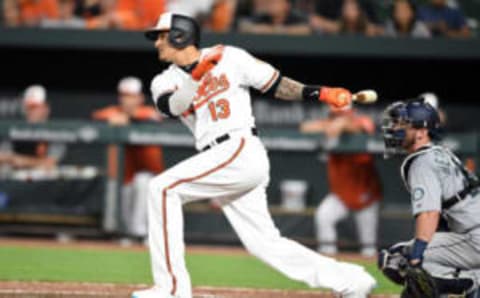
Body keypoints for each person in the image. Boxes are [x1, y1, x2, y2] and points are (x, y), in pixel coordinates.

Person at [132, 12, 376, 298]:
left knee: (161, 188)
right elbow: (173, 106)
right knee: (264, 243)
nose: (156, 44)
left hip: (238, 147)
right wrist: (196, 78)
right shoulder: (164, 80)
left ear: (179, 35)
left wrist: (320, 94)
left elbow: (276, 84)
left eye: (161, 36)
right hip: (220, 157)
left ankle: (171, 289)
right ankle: (352, 280)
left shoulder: (230, 57)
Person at [379, 100, 480, 296]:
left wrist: (416, 258)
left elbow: (429, 214)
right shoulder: (441, 152)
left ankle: (473, 283)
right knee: (411, 256)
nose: (395, 129)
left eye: (402, 124)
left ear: (421, 132)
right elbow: (443, 219)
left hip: (475, 238)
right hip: (472, 233)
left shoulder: (421, 162)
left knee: (399, 257)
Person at [300, 104, 382, 257]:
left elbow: (363, 128)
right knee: (323, 216)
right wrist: (332, 125)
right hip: (341, 194)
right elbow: (305, 127)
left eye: (341, 115)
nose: (338, 119)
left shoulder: (362, 122)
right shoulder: (329, 126)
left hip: (366, 194)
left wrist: (343, 123)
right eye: (335, 115)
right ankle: (329, 257)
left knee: (368, 247)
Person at [92, 76, 164, 241]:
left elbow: (153, 119)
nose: (127, 100)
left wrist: (128, 120)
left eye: (131, 96)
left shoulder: (148, 112)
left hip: (152, 175)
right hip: (125, 176)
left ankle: (141, 233)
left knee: (142, 181)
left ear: (140, 98)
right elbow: (95, 117)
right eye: (124, 96)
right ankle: (127, 233)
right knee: (124, 189)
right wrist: (112, 119)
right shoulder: (114, 112)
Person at [0, 85, 65, 170]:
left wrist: (21, 160)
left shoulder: (55, 130)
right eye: (27, 107)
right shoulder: (16, 128)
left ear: (45, 108)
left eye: (34, 107)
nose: (30, 111)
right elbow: (2, 156)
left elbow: (50, 163)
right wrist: (13, 159)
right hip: (17, 178)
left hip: (48, 181)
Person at [238, 0, 311, 35]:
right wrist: (258, 28)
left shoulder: (295, 16)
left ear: (286, 5)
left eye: (276, 2)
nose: (271, 5)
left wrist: (275, 30)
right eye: (270, 2)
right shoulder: (263, 16)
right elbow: (243, 25)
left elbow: (307, 29)